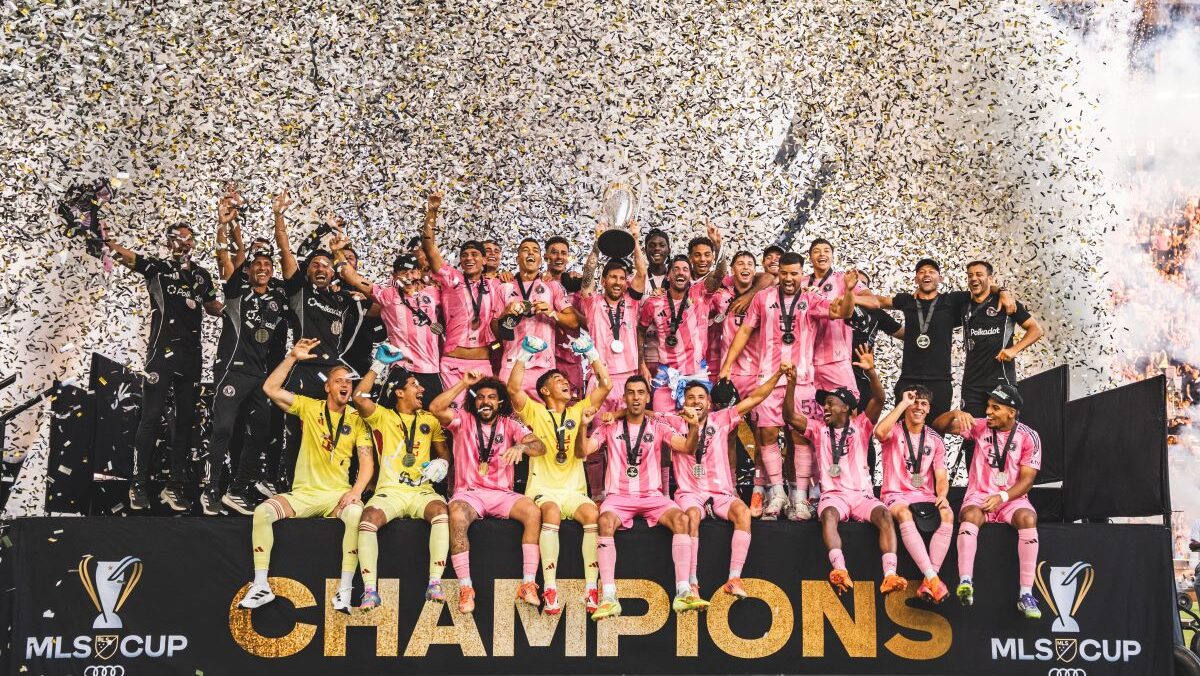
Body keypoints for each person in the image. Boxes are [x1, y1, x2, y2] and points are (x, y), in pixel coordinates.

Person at [239, 338, 373, 611]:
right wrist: (292, 357)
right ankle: (261, 585)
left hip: (336, 496)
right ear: (327, 387)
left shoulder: (357, 419)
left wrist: (356, 492)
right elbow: (270, 388)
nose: (345, 384)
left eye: (348, 381)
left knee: (356, 514)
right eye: (338, 380)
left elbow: (367, 462)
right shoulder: (310, 407)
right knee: (263, 512)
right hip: (304, 494)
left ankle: (345, 590)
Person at [718, 253, 855, 520]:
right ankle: (778, 493)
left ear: (802, 274)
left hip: (801, 380)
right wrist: (727, 365)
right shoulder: (763, 297)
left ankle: (800, 498)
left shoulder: (811, 298)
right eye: (785, 273)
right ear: (778, 272)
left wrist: (848, 290)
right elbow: (745, 331)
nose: (789, 278)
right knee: (767, 435)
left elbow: (843, 312)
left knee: (800, 437)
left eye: (794, 274)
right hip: (768, 379)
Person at [104, 217, 221, 512]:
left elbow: (212, 307)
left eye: (189, 238)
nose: (185, 242)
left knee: (185, 421)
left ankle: (174, 486)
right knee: (152, 416)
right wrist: (105, 240)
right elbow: (127, 256)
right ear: (169, 242)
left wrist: (237, 306)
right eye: (179, 237)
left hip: (192, 357)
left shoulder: (202, 276)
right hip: (162, 354)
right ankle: (138, 483)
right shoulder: (157, 268)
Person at [579, 376, 708, 619]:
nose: (636, 397)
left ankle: (683, 591)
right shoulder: (609, 426)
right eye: (631, 392)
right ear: (624, 398)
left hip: (652, 497)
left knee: (682, 519)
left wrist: (693, 427)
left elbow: (687, 447)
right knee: (604, 521)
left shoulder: (658, 426)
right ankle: (608, 596)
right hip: (619, 497)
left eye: (640, 392)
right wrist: (582, 426)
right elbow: (582, 451)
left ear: (648, 397)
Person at [783, 345, 907, 596]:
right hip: (834, 496)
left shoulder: (861, 425)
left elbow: (879, 399)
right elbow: (789, 416)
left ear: (846, 407)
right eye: (824, 404)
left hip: (862, 496)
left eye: (830, 403)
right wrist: (791, 384)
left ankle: (890, 575)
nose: (825, 408)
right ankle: (840, 570)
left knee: (885, 516)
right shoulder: (818, 429)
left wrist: (871, 372)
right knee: (828, 515)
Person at [508, 333, 612, 615]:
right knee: (551, 512)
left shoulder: (578, 411)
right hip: (544, 490)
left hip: (574, 491)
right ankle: (550, 587)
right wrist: (525, 354)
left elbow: (606, 384)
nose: (565, 382)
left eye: (566, 379)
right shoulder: (536, 412)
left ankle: (591, 588)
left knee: (592, 515)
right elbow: (514, 387)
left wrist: (592, 353)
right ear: (544, 390)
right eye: (557, 380)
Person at [430, 371, 547, 615]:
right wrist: (464, 383)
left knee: (533, 512)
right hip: (469, 494)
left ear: (500, 401)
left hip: (502, 494)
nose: (486, 402)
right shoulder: (462, 419)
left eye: (491, 397)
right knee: (456, 514)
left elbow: (540, 446)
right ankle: (466, 587)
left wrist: (521, 446)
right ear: (474, 401)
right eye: (481, 397)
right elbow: (435, 408)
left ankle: (528, 584)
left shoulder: (510, 423)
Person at [668, 367, 788, 601]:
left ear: (709, 403)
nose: (696, 401)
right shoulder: (673, 422)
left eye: (701, 397)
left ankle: (734, 579)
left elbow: (755, 398)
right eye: (691, 397)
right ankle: (692, 583)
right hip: (690, 494)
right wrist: (618, 413)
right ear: (683, 403)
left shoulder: (720, 419)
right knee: (691, 515)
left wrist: (777, 376)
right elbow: (642, 413)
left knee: (743, 512)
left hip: (720, 493)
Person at [272, 191, 365, 488]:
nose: (321, 268)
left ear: (333, 271)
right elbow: (286, 250)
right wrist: (279, 216)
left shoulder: (343, 299)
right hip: (305, 370)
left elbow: (369, 292)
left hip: (334, 373)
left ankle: (339, 487)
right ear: (307, 271)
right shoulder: (299, 291)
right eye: (315, 265)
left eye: (326, 265)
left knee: (339, 431)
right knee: (298, 433)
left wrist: (339, 254)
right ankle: (293, 487)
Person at [205, 191, 289, 516]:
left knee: (263, 431)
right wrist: (223, 226)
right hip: (232, 371)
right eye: (257, 265)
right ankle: (212, 490)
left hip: (259, 376)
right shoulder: (236, 293)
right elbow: (225, 259)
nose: (263, 268)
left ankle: (237, 489)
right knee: (224, 429)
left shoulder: (279, 298)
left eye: (268, 265)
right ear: (249, 270)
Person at [349, 349, 451, 611]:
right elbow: (358, 397)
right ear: (399, 392)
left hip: (420, 491)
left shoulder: (429, 420)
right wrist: (377, 365)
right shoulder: (382, 416)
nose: (422, 389)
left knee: (441, 511)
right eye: (414, 385)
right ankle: (370, 591)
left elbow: (444, 453)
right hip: (390, 490)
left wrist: (442, 464)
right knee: (368, 518)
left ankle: (435, 583)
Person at [932, 384, 1043, 618]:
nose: (988, 412)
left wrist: (1002, 497)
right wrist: (954, 413)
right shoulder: (980, 426)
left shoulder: (1029, 436)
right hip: (980, 495)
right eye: (988, 406)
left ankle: (1026, 594)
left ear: (1011, 412)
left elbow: (1027, 481)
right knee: (970, 515)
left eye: (995, 408)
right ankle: (965, 582)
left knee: (1028, 518)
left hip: (1011, 499)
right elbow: (937, 427)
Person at [856, 258, 1011, 421]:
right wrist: (851, 296)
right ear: (916, 279)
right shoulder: (907, 300)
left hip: (940, 381)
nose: (926, 275)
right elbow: (880, 301)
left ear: (940, 278)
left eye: (931, 271)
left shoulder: (952, 300)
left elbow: (983, 289)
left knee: (936, 430)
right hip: (908, 379)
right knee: (902, 429)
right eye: (922, 272)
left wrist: (1003, 291)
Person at [334, 218, 445, 408]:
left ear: (419, 273)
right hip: (402, 368)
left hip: (430, 370)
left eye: (412, 271)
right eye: (402, 272)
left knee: (435, 418)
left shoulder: (434, 293)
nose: (408, 276)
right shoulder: (387, 295)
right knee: (391, 418)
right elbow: (352, 277)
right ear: (394, 276)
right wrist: (337, 251)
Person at [421, 191, 504, 405]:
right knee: (453, 416)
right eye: (464, 255)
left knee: (484, 413)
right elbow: (429, 248)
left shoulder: (496, 286)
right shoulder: (451, 279)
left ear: (484, 260)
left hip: (482, 363)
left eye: (474, 255)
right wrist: (432, 212)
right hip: (452, 363)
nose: (469, 258)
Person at [874, 385, 952, 604]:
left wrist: (942, 495)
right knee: (903, 513)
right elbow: (879, 432)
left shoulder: (935, 439)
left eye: (923, 404)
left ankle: (930, 580)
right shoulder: (894, 430)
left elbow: (941, 477)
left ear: (929, 409)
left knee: (947, 514)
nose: (918, 407)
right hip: (895, 493)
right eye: (914, 402)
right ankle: (933, 578)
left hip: (924, 495)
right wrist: (903, 403)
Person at [497, 238, 580, 398]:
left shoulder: (551, 286)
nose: (530, 253)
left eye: (535, 250)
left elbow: (574, 322)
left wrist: (552, 312)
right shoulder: (504, 287)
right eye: (525, 250)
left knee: (545, 414)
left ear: (541, 260)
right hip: (511, 364)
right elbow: (495, 330)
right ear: (517, 258)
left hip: (544, 367)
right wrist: (505, 314)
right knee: (508, 413)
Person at [640, 255, 723, 411]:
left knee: (698, 424)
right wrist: (641, 364)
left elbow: (719, 275)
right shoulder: (653, 302)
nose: (680, 272)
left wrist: (720, 248)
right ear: (668, 275)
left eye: (685, 269)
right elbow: (640, 330)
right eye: (676, 269)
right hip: (666, 376)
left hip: (697, 376)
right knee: (663, 423)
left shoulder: (700, 294)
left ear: (690, 276)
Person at [960, 261, 1043, 417]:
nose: (974, 278)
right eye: (970, 275)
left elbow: (1036, 330)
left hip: (1000, 380)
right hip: (972, 384)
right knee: (972, 429)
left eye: (979, 274)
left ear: (990, 278)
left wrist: (1014, 350)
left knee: (1003, 428)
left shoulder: (1006, 303)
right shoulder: (963, 304)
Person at [806, 239, 866, 397]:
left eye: (826, 251)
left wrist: (847, 297)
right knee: (809, 407)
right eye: (816, 251)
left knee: (848, 402)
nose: (822, 254)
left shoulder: (843, 279)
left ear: (832, 256)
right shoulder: (802, 282)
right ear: (810, 257)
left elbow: (873, 300)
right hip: (806, 359)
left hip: (836, 357)